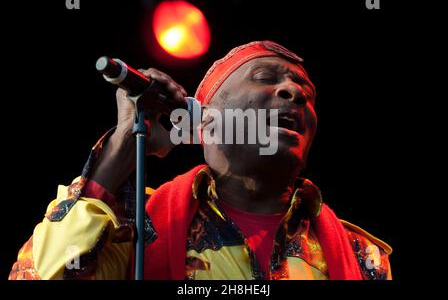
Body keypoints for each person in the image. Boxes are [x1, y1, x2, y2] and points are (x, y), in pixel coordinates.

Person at [9, 41, 392, 280]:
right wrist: (127, 140)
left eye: (306, 94)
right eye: (265, 77)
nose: (294, 92)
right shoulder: (136, 227)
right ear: (206, 122)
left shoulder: (361, 255)